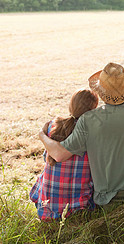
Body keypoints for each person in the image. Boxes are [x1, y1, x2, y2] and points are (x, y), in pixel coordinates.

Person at [39, 63, 124, 206]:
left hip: (110, 200)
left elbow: (59, 154)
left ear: (101, 92)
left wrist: (42, 135)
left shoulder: (89, 120)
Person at [30, 90, 99, 220]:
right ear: (93, 110)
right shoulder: (91, 131)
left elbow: (47, 157)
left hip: (48, 206)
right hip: (78, 206)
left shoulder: (52, 125)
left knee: (43, 176)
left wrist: (42, 134)